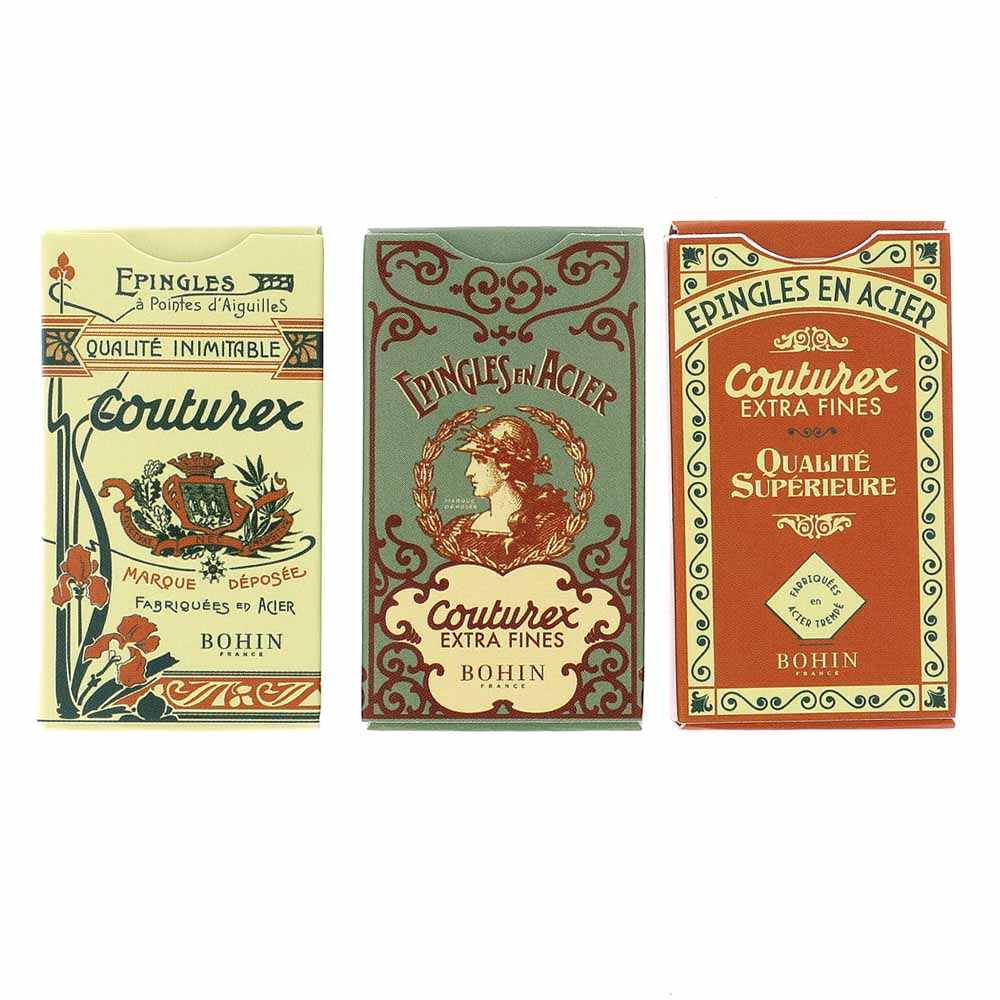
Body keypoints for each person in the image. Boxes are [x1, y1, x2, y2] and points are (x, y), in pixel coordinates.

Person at [435, 415, 571, 569]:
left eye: (479, 460)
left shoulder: (552, 528)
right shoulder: (456, 529)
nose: (469, 472)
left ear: (505, 469)